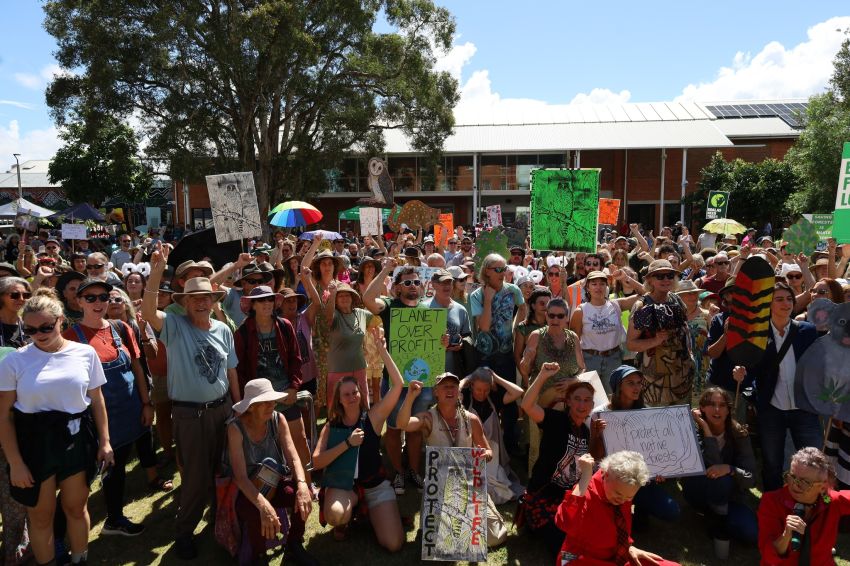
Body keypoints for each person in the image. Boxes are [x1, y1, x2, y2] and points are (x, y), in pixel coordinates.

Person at [141, 243, 241, 560]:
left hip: (223, 409)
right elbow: (145, 312)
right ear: (185, 303)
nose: (201, 303)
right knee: (196, 478)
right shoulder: (174, 326)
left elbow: (232, 371)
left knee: (222, 469)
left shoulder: (224, 329)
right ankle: (184, 532)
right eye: (194, 298)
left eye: (206, 298)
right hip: (190, 415)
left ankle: (218, 522)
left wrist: (238, 407)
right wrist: (157, 269)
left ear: (213, 301)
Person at [0, 289, 114, 566]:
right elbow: (3, 416)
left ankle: (79, 560)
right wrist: (15, 462)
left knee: (76, 508)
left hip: (75, 438)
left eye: (46, 327)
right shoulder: (15, 361)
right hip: (34, 444)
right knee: (40, 516)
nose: (38, 333)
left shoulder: (85, 353)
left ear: (61, 320)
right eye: (30, 329)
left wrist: (105, 442)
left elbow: (97, 400)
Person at [62, 278, 156, 536]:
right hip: (95, 422)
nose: (98, 302)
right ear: (79, 301)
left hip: (129, 412)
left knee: (118, 468)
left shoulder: (120, 328)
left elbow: (136, 366)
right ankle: (57, 535)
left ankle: (114, 520)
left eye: (103, 297)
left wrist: (146, 403)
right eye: (90, 297)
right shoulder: (69, 339)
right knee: (82, 482)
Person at [311, 328, 405, 552]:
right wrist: (346, 444)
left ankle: (369, 514)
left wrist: (382, 350)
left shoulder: (373, 417)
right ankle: (347, 520)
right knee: (336, 515)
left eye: (355, 393)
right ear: (339, 400)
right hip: (344, 485)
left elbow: (398, 384)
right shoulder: (331, 426)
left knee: (394, 544)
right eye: (346, 394)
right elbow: (316, 462)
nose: (352, 397)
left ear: (361, 394)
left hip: (375, 485)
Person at [397, 372, 508, 548]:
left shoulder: (471, 419)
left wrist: (483, 455)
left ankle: (470, 519)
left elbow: (488, 451)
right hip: (438, 487)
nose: (449, 390)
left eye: (453, 386)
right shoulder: (427, 418)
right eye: (444, 386)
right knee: (439, 540)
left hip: (467, 483)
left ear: (459, 391)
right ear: (436, 392)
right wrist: (410, 396)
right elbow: (402, 424)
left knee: (495, 537)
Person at [225, 379, 317, 565]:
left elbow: (294, 457)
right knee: (252, 513)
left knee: (300, 496)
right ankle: (259, 557)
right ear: (251, 407)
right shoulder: (235, 428)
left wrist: (301, 485)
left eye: (272, 400)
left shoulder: (278, 419)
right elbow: (241, 478)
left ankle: (294, 543)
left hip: (275, 482)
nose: (272, 405)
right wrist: (264, 505)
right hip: (249, 490)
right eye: (265, 402)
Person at [742, 282, 821, 492]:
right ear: (768, 304)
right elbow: (751, 370)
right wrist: (741, 373)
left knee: (814, 463)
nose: (786, 303)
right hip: (771, 409)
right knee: (772, 464)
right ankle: (773, 507)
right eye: (779, 299)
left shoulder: (807, 331)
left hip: (804, 409)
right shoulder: (757, 334)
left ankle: (816, 506)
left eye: (789, 299)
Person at [362, 260, 432, 494]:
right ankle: (398, 472)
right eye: (408, 282)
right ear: (398, 287)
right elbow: (367, 299)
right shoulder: (389, 307)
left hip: (421, 382)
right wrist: (384, 270)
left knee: (414, 429)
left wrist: (441, 342)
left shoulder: (427, 307)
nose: (413, 286)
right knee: (393, 429)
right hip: (394, 381)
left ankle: (413, 470)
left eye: (416, 282)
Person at [234, 285, 312, 490]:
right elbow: (240, 369)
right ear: (252, 304)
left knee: (300, 441)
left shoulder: (285, 326)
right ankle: (275, 489)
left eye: (270, 299)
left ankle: (307, 484)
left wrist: (294, 387)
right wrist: (248, 399)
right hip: (260, 400)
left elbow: (296, 359)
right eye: (261, 300)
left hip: (286, 392)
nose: (267, 303)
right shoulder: (242, 332)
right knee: (269, 446)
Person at [520, 363, 599, 556]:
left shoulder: (586, 432)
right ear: (568, 401)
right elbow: (527, 405)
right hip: (544, 498)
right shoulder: (556, 420)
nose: (582, 405)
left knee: (593, 532)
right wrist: (542, 375)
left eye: (587, 400)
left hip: (569, 498)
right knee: (563, 542)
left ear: (592, 405)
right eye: (577, 399)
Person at [590, 365, 681, 526]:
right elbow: (595, 457)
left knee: (672, 511)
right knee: (607, 524)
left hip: (640, 479)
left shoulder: (647, 413)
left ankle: (641, 508)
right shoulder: (600, 414)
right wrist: (597, 435)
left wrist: (660, 469)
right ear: (619, 386)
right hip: (612, 478)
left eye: (639, 383)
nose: (637, 387)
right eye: (630, 383)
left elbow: (654, 449)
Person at [555, 451, 681, 566]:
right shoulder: (585, 492)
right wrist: (585, 477)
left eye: (629, 497)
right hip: (579, 559)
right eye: (618, 494)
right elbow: (564, 522)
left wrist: (629, 547)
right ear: (605, 474)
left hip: (615, 555)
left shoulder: (622, 489)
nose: (622, 500)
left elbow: (621, 527)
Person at [684, 386, 758, 554]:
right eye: (711, 404)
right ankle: (718, 523)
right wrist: (706, 429)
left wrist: (730, 469)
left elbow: (751, 479)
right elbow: (713, 467)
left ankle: (716, 517)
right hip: (698, 491)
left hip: (731, 498)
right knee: (721, 479)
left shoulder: (739, 434)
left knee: (751, 533)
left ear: (728, 410)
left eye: (722, 405)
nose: (717, 409)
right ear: (701, 407)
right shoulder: (692, 432)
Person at [520, 297, 585, 473]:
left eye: (560, 316)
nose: (555, 320)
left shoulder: (573, 337)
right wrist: (525, 360)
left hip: (568, 403)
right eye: (551, 316)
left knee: (567, 443)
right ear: (546, 316)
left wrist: (574, 381)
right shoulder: (536, 336)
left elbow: (582, 368)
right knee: (539, 445)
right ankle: (534, 489)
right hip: (541, 400)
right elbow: (525, 371)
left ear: (566, 318)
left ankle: (566, 481)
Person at [469, 253, 525, 455]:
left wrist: (516, 327)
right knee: (481, 399)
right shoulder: (476, 295)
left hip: (505, 354)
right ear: (486, 272)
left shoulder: (513, 290)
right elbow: (483, 327)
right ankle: (481, 443)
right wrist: (488, 301)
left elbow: (523, 308)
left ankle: (510, 446)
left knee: (508, 404)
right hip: (484, 356)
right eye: (498, 269)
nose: (503, 273)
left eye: (505, 268)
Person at [758, 447, 850, 565]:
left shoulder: (831, 501)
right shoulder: (771, 501)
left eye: (804, 482)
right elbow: (768, 556)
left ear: (822, 487)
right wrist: (786, 535)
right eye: (792, 477)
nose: (795, 485)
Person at [627, 259, 695, 407]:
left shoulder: (676, 299)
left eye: (670, 276)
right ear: (650, 280)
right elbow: (631, 344)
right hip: (655, 385)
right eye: (660, 276)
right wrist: (655, 341)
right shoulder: (642, 305)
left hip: (682, 379)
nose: (666, 280)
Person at [460, 367, 525, 503]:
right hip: (470, 450)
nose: (482, 394)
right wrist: (467, 378)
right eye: (478, 389)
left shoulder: (494, 399)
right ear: (471, 386)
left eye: (486, 390)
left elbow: (518, 392)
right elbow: (455, 392)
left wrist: (496, 377)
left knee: (497, 482)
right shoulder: (464, 399)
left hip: (493, 451)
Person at [569, 270, 637, 395]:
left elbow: (647, 295)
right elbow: (574, 341)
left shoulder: (616, 305)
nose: (598, 287)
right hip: (589, 360)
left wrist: (627, 278)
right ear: (587, 287)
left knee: (613, 397)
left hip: (613, 358)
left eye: (602, 283)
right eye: (594, 284)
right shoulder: (581, 311)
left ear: (607, 286)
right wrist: (580, 365)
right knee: (591, 398)